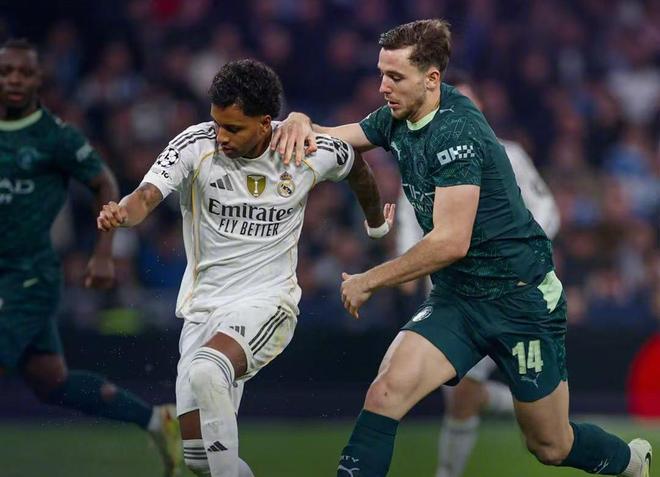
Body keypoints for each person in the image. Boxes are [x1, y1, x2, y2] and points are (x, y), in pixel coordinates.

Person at [272, 19, 652, 477]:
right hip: (458, 300)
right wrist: (300, 121)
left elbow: (451, 242)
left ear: (431, 79)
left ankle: (630, 462)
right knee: (385, 393)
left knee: (551, 445)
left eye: (394, 76)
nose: (382, 87)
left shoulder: (456, 132)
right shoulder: (401, 113)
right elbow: (338, 136)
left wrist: (371, 279)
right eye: (381, 74)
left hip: (520, 301)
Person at [97, 58, 392, 477]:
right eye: (217, 123)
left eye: (233, 128)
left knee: (207, 370)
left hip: (267, 303)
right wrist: (122, 214)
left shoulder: (302, 149)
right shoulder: (195, 145)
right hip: (202, 310)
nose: (221, 136)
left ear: (265, 123)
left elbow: (357, 166)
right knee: (199, 459)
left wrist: (376, 224)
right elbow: (146, 195)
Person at [0, 39, 182, 476]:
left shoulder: (56, 137)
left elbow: (104, 182)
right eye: (6, 72)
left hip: (28, 278)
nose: (15, 80)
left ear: (39, 79)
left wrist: (104, 252)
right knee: (51, 381)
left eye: (24, 72)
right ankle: (156, 420)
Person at [395, 70, 561, 477]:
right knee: (459, 394)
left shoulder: (510, 154)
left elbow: (547, 209)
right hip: (453, 292)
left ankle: (536, 417)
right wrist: (407, 266)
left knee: (474, 399)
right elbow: (409, 219)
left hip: (511, 293)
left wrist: (521, 255)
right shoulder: (420, 158)